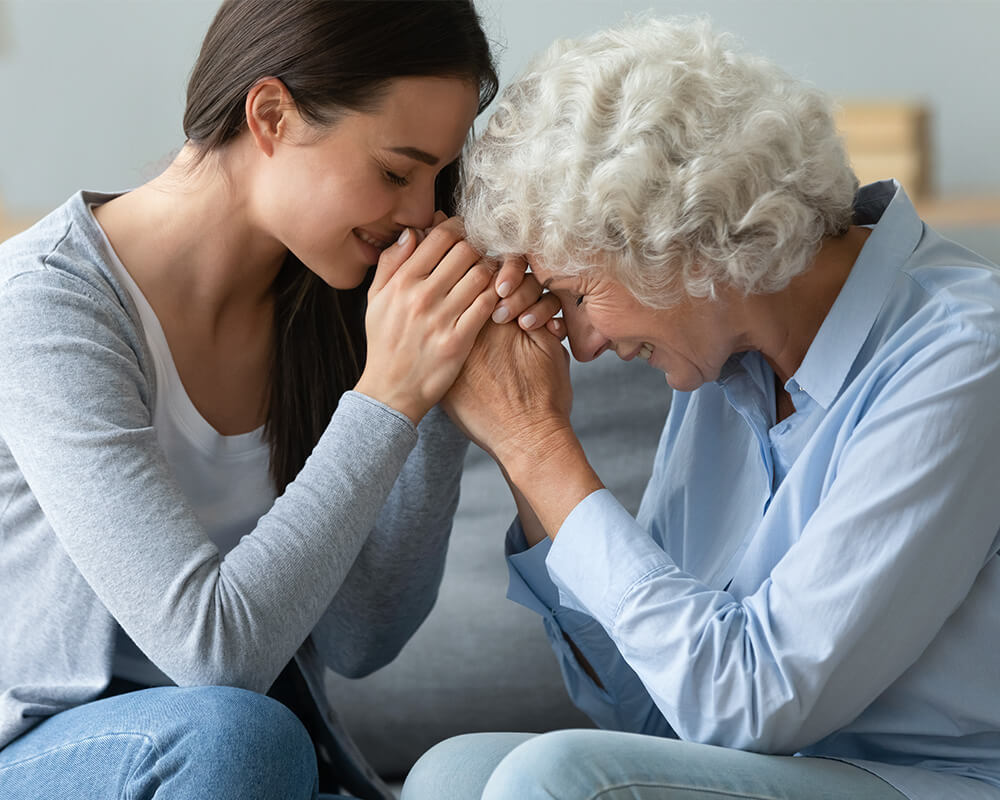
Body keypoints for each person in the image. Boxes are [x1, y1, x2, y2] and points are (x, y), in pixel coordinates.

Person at [400, 16, 1000, 800]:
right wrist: (528, 449)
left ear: (685, 240)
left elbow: (748, 703)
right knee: (454, 773)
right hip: (783, 772)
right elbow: (650, 714)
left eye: (578, 294)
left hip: (942, 781)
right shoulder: (722, 363)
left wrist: (538, 444)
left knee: (558, 779)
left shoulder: (962, 354)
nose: (580, 342)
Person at [0, 1, 562, 798]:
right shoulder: (44, 306)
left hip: (250, 762)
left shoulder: (333, 296)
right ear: (271, 115)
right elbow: (212, 654)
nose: (418, 214)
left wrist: (439, 380)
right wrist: (389, 394)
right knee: (240, 738)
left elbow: (360, 636)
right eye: (398, 171)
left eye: (437, 179)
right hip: (49, 754)